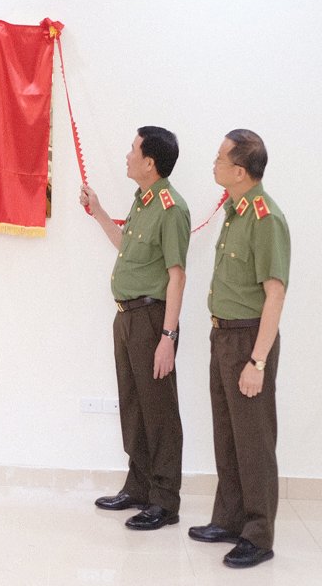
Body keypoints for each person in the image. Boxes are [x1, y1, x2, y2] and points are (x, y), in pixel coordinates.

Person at [79, 126, 189, 530]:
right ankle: (139, 486)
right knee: (133, 405)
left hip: (151, 319)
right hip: (126, 317)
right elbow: (126, 245)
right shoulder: (143, 202)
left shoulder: (171, 209)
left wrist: (168, 337)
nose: (127, 155)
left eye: (133, 149)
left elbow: (177, 277)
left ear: (149, 163)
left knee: (159, 412)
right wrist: (98, 211)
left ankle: (165, 500)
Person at [188, 129, 289, 568]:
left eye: (220, 159)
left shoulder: (265, 218)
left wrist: (257, 361)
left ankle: (258, 535)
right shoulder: (234, 211)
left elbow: (275, 294)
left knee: (254, 442)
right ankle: (229, 520)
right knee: (227, 435)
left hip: (249, 340)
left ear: (240, 171)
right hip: (223, 336)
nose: (214, 164)